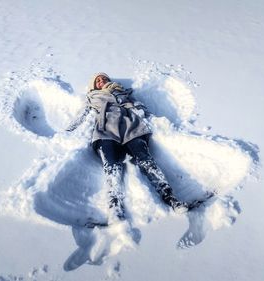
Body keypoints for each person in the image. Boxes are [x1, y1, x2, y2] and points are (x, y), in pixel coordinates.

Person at [67, 73, 188, 221]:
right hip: (106, 130)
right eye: (97, 80)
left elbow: (141, 108)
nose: (102, 80)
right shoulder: (92, 97)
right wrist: (70, 130)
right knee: (110, 165)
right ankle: (114, 204)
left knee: (145, 159)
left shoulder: (122, 91)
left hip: (131, 127)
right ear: (93, 85)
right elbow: (83, 115)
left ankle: (170, 197)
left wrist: (144, 113)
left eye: (104, 78)